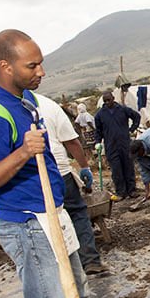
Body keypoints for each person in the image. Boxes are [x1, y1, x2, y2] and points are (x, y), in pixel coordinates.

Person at [0, 29, 133, 298]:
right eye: (32, 65)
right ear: (5, 66)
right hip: (28, 224)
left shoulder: (25, 101)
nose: (41, 71)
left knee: (78, 294)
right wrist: (23, 152)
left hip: (52, 216)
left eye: (41, 63)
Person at [38, 94, 110, 275]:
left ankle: (60, 267)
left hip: (33, 178)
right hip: (60, 173)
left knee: (45, 221)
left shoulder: (6, 109)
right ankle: (90, 261)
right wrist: (84, 167)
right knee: (77, 213)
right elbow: (71, 141)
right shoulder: (48, 105)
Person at [94, 90, 141, 200]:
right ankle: (121, 192)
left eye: (108, 100)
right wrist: (97, 143)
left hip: (124, 143)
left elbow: (136, 116)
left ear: (113, 98)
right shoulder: (100, 115)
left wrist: (132, 129)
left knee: (128, 166)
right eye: (104, 101)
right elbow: (98, 131)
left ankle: (132, 190)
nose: (107, 103)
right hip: (111, 145)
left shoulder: (123, 109)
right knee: (116, 169)